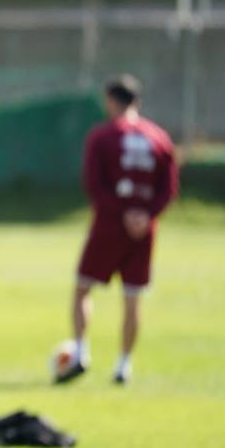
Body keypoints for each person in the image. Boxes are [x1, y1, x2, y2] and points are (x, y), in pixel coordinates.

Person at [61, 74, 178, 386]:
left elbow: (94, 185)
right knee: (132, 299)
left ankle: (80, 353)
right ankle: (123, 366)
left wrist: (123, 213)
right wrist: (146, 215)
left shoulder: (102, 136)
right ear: (136, 102)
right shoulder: (160, 139)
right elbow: (168, 188)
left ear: (111, 101)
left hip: (109, 226)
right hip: (144, 231)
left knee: (83, 288)